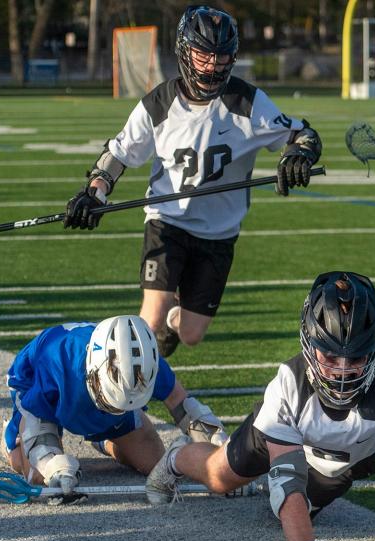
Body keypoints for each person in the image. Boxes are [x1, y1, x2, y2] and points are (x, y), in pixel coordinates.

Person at [145, 272, 375, 541]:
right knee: (221, 478)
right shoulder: (288, 384)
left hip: (337, 465)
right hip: (277, 445)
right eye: (331, 356)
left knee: (289, 514)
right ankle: (176, 457)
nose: (343, 369)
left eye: (357, 357)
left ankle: (262, 488)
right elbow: (287, 480)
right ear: (309, 342)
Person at [62, 5, 322, 358]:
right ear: (185, 52)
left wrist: (297, 155)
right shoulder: (159, 103)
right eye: (203, 54)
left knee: (191, 334)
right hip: (167, 222)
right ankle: (131, 405)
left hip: (219, 234)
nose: (212, 65)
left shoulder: (247, 103)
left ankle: (174, 316)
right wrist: (95, 193)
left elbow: (302, 134)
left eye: (221, 56)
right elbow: (118, 154)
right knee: (148, 322)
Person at [2, 315, 228, 501]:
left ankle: (103, 440)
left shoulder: (144, 361)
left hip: (88, 388)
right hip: (35, 387)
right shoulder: (58, 361)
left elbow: (182, 404)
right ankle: (10, 442)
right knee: (37, 475)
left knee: (153, 461)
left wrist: (217, 444)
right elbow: (32, 415)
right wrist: (50, 465)